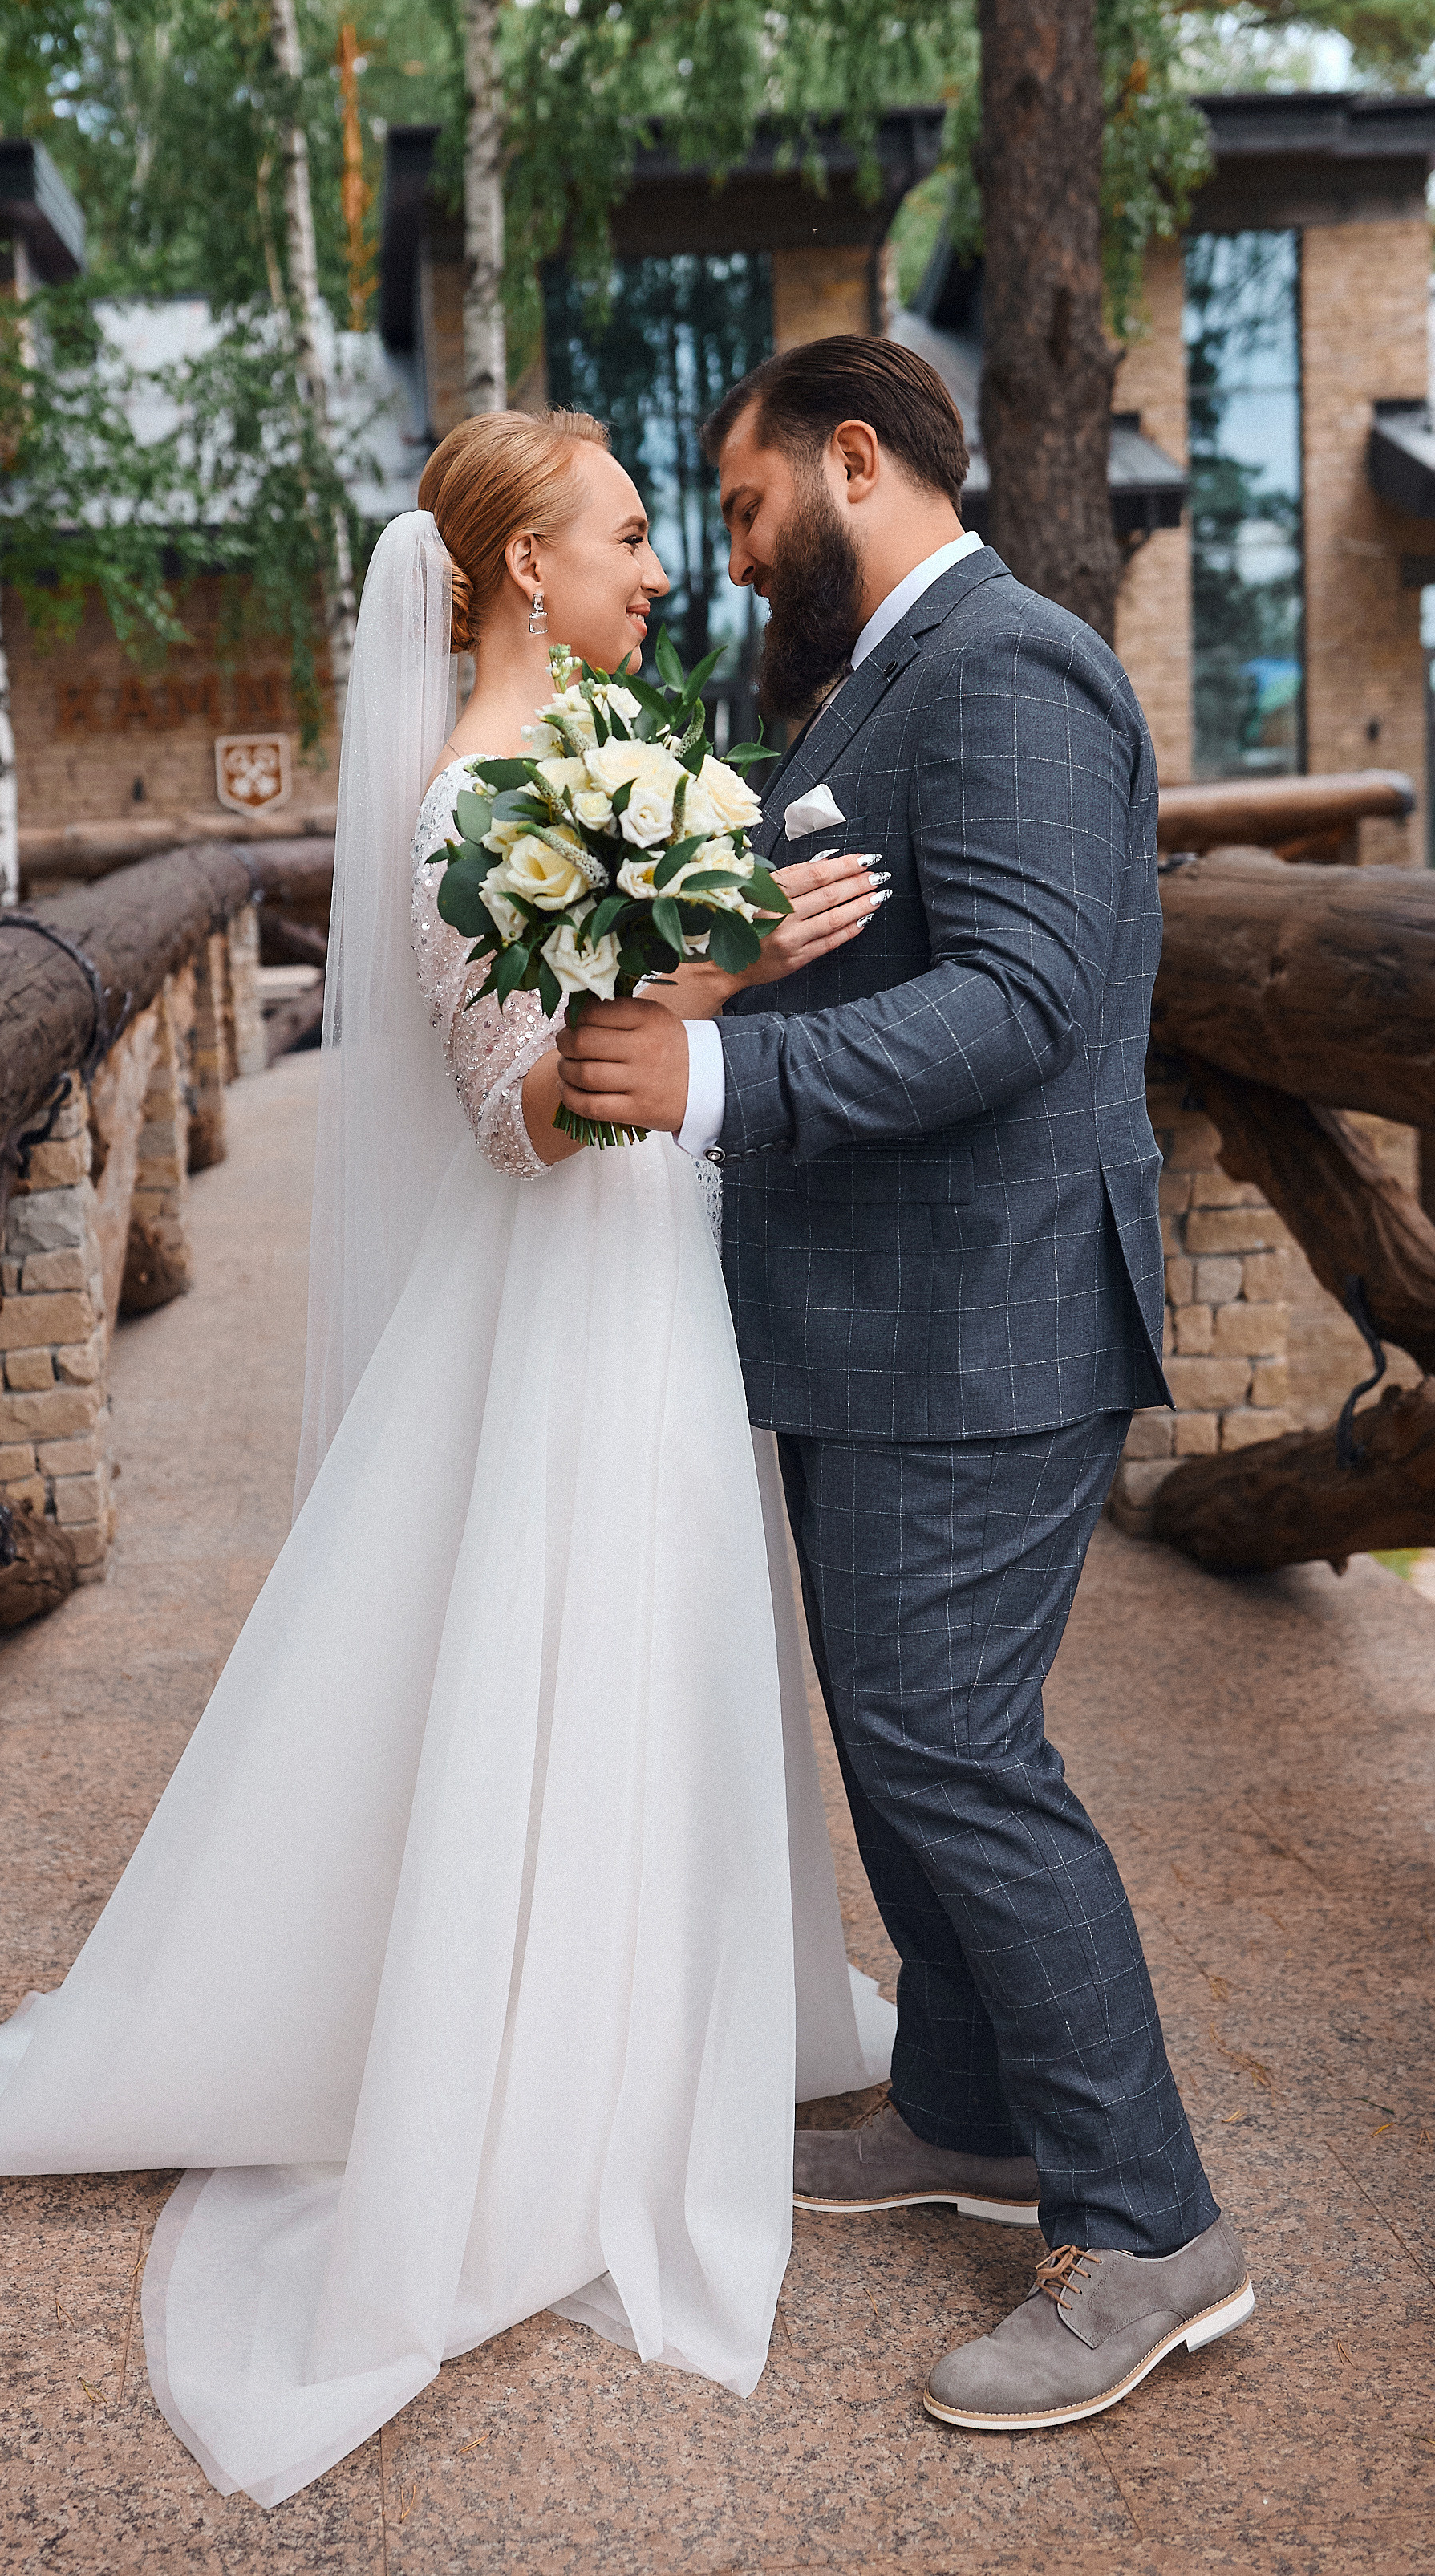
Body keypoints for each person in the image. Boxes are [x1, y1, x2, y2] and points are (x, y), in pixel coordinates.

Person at [0, 407, 899, 2508]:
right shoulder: (467, 803)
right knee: (566, 1641)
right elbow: (527, 1107)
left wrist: (704, 959)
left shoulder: (597, 754)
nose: (658, 571)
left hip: (652, 1275)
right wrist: (733, 963)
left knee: (673, 1630)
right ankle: (542, 2074)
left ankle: (676, 2003)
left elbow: (616, 1043)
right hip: (567, 1288)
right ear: (525, 567)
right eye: (628, 536)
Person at [556, 337, 1255, 2432]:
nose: (729, 552)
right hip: (881, 1318)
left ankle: (1151, 2225)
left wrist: (716, 1074)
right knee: (895, 1742)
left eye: (747, 503)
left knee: (955, 1744)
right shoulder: (873, 681)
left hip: (990, 1315)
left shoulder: (1011, 666)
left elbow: (1025, 1001)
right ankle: (967, 2108)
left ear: (855, 458)